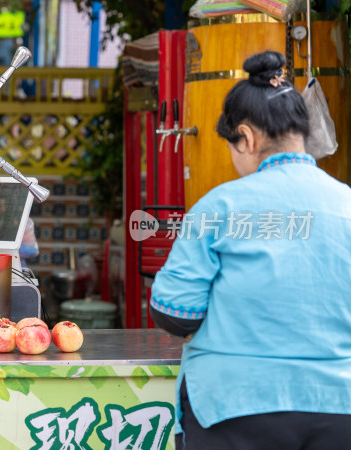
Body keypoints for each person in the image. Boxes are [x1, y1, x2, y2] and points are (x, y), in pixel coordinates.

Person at [150, 51, 351, 449]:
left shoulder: (218, 207)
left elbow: (174, 312)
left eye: (232, 146)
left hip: (236, 407)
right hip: (339, 407)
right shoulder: (346, 203)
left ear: (248, 137)